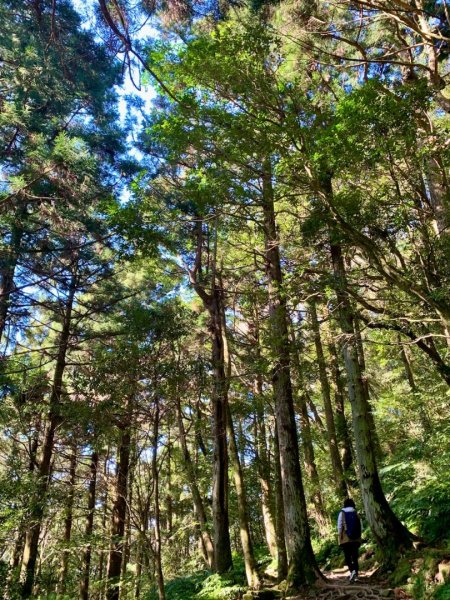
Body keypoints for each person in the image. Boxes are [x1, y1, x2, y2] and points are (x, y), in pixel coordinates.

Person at [337, 498, 362, 582]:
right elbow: (360, 525)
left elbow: (340, 526)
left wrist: (340, 536)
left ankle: (352, 573)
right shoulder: (356, 512)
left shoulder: (342, 513)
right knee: (355, 556)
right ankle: (356, 574)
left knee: (347, 557)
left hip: (346, 539)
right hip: (356, 538)